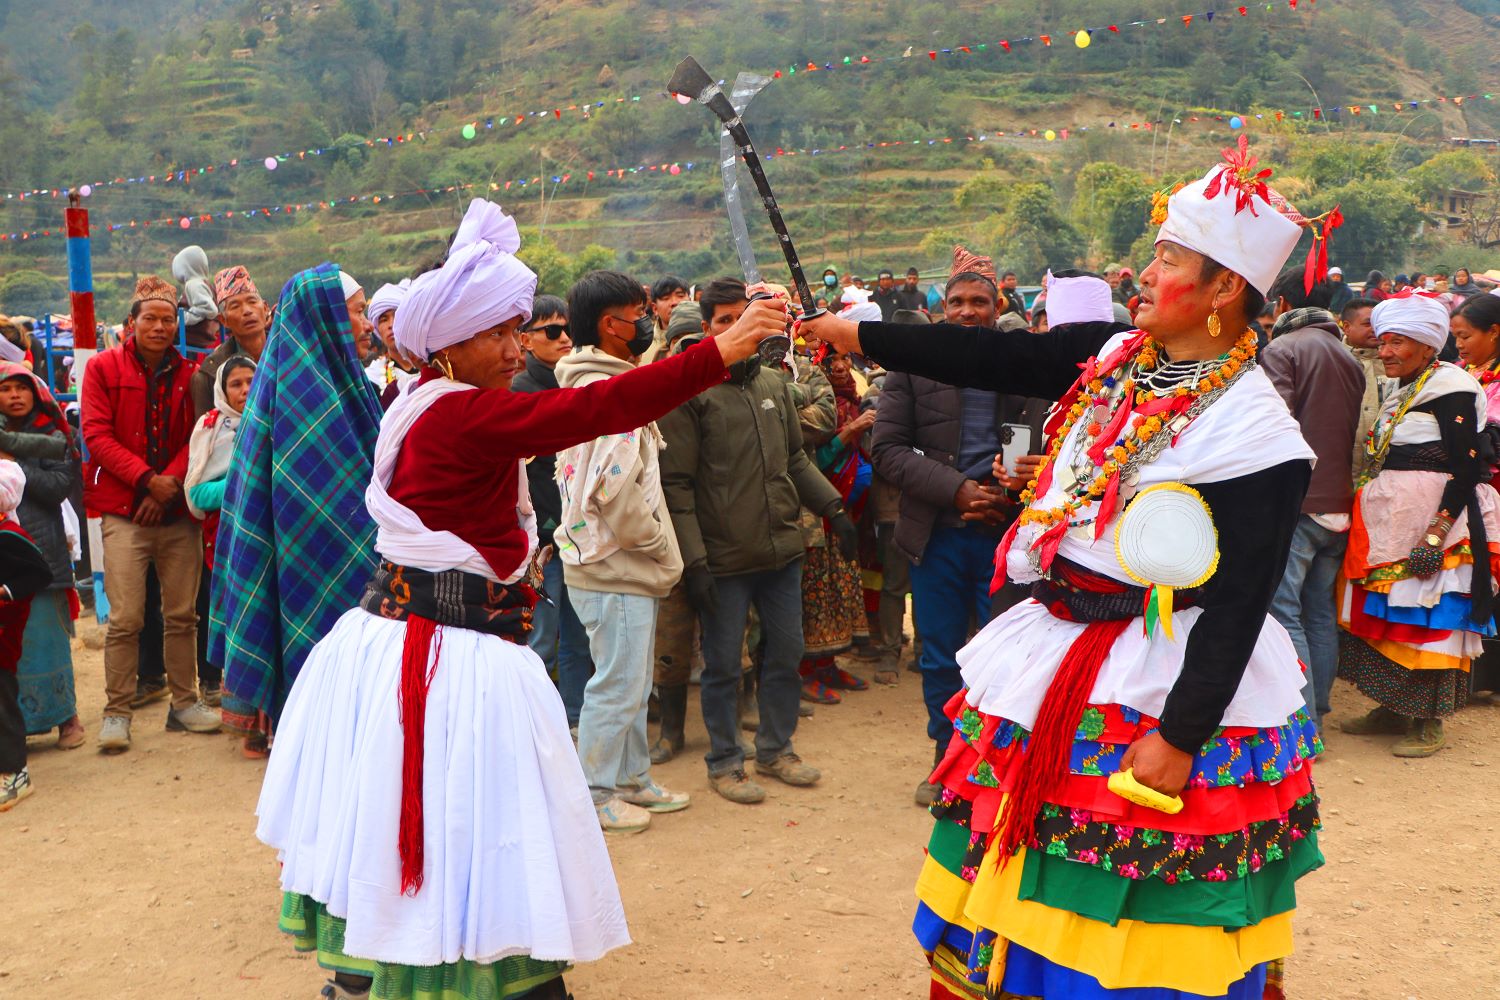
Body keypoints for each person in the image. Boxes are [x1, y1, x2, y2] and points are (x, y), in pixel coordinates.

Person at [804, 139, 1322, 999]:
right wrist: (854, 331)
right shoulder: (1115, 355)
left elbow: (1241, 602)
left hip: (1155, 678)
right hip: (1059, 652)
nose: (1144, 275)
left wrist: (1178, 737)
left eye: (1167, 258)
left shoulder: (1257, 435)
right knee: (1020, 861)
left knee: (1134, 893)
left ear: (1227, 288)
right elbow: (986, 357)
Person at [254, 198, 786, 1000]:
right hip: (442, 659)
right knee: (472, 822)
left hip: (412, 644)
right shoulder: (459, 415)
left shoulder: (422, 403)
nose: (518, 349)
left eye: (516, 332)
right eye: (498, 335)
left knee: (426, 820)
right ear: (448, 345)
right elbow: (593, 408)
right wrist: (718, 352)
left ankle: (379, 975)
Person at [871, 246, 1050, 808]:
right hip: (939, 533)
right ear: (940, 307)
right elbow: (887, 449)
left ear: (998, 305)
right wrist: (957, 489)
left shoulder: (1025, 360)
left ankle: (996, 760)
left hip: (1007, 535)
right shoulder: (913, 364)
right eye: (957, 302)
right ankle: (946, 757)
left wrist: (1013, 484)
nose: (968, 311)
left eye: (980, 301)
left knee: (1007, 652)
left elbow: (1048, 435)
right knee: (940, 650)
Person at [658, 276, 846, 805]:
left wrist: (833, 508)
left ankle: (775, 749)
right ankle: (724, 761)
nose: (738, 329)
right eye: (726, 321)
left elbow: (793, 460)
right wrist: (695, 562)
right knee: (722, 665)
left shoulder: (771, 385)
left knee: (785, 652)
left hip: (781, 550)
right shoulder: (689, 392)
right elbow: (677, 484)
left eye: (746, 318)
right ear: (710, 327)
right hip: (722, 559)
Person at [210, 265, 383, 761]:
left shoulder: (348, 385)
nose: (367, 324)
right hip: (317, 564)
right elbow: (316, 507)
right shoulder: (301, 398)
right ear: (327, 317)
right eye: (357, 312)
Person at [555, 270, 691, 834]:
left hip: (605, 563)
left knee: (631, 680)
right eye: (639, 313)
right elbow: (610, 493)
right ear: (611, 326)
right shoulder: (610, 394)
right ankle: (595, 792)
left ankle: (632, 777)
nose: (646, 323)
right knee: (617, 684)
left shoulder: (590, 382)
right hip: (617, 565)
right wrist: (659, 544)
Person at [1338, 293, 1500, 757]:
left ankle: (1429, 721)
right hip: (1392, 522)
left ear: (1429, 346)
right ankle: (1391, 707)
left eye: (1397, 342)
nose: (1384, 351)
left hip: (1435, 522)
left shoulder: (1449, 386)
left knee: (1430, 617)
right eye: (1382, 341)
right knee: (1388, 615)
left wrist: (1436, 533)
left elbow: (1467, 467)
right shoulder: (1406, 385)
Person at [83, 276, 219, 753]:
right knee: (125, 618)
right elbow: (96, 436)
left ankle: (185, 704)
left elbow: (202, 435)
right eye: (151, 318)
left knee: (182, 616)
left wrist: (166, 487)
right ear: (131, 324)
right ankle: (117, 711)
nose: (160, 326)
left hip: (176, 509)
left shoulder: (192, 372)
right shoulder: (101, 369)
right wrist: (146, 479)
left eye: (168, 318)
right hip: (123, 512)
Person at [1259, 270, 1366, 728]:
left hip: (1299, 503)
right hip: (1337, 504)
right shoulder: (1348, 355)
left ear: (1281, 304)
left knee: (1286, 613)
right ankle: (1318, 708)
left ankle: (1305, 724)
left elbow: (1271, 425)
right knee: (1318, 612)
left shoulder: (1283, 349)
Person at [512, 295, 594, 728]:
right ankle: (536, 725)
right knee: (541, 636)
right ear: (525, 340)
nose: (564, 338)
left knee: (578, 635)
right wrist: (546, 529)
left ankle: (575, 718)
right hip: (547, 537)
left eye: (567, 330)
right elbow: (533, 474)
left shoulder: (573, 381)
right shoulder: (523, 390)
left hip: (576, 530)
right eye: (552, 331)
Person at [0, 363, 83, 750]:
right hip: (6, 556)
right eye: (6, 389)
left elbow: (57, 488)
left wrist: (13, 464)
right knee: (12, 646)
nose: (15, 395)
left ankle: (68, 719)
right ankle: (19, 729)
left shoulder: (53, 435)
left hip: (43, 552)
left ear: (36, 394)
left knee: (48, 638)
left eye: (23, 388)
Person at [648, 300, 717, 764]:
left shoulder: (728, 385)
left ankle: (736, 713)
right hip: (667, 535)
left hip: (720, 527)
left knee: (732, 634)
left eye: (698, 343)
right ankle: (671, 731)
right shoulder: (654, 389)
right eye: (682, 344)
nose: (690, 352)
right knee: (671, 643)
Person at [183, 356, 260, 755]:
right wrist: (242, 479)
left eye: (252, 381)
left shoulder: (273, 421)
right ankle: (248, 724)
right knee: (242, 625)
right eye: (237, 384)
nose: (246, 391)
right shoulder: (212, 429)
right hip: (228, 545)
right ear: (222, 390)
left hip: (268, 542)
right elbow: (196, 495)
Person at [1445, 292, 1500, 697]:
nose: (1459, 345)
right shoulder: (1468, 373)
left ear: (1494, 332)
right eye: (1455, 337)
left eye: (1465, 336)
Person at [0, 461, 55, 810]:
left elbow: (40, 575)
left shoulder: (11, 536)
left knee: (2, 702)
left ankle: (15, 772)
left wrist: (4, 591)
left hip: (3, 633)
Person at [192, 266, 269, 418]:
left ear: (265, 308)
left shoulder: (290, 352)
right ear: (223, 320)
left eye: (252, 301)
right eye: (235, 306)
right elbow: (207, 433)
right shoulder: (209, 374)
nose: (247, 311)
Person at [1341, 297, 1388, 487]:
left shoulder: (1393, 362)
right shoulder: (1334, 360)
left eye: (1379, 323)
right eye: (1368, 324)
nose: (1375, 329)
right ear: (1346, 327)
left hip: (1382, 475)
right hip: (1342, 471)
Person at [364, 280, 418, 408]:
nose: (391, 325)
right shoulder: (372, 379)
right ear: (377, 329)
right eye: (383, 320)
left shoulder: (435, 366)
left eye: (397, 315)